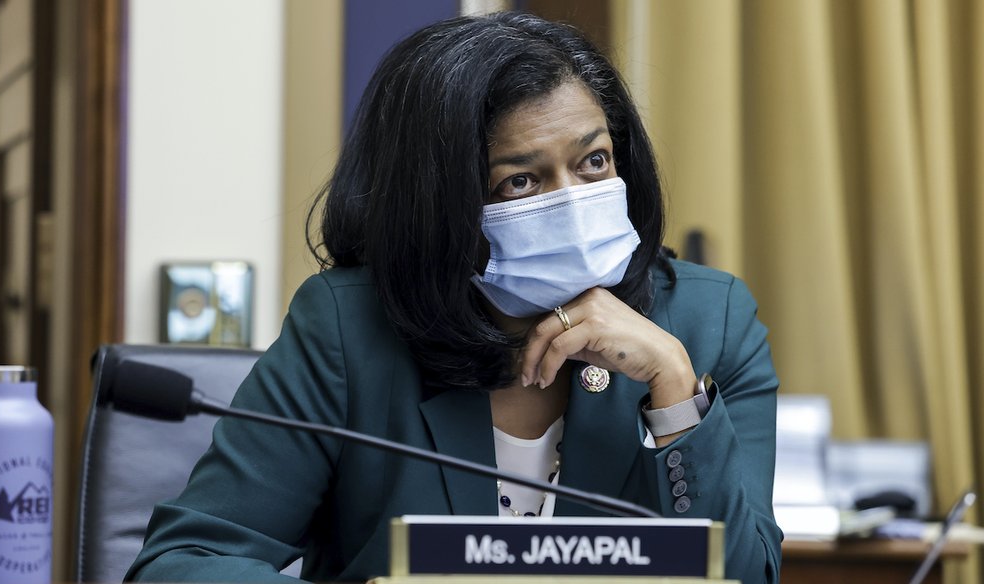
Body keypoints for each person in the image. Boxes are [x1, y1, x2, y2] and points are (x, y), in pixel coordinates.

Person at [127, 11, 782, 584]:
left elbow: (746, 577)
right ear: (439, 206)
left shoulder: (706, 321)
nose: (571, 201)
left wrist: (675, 394)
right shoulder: (348, 330)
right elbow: (184, 561)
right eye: (521, 180)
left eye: (592, 162)